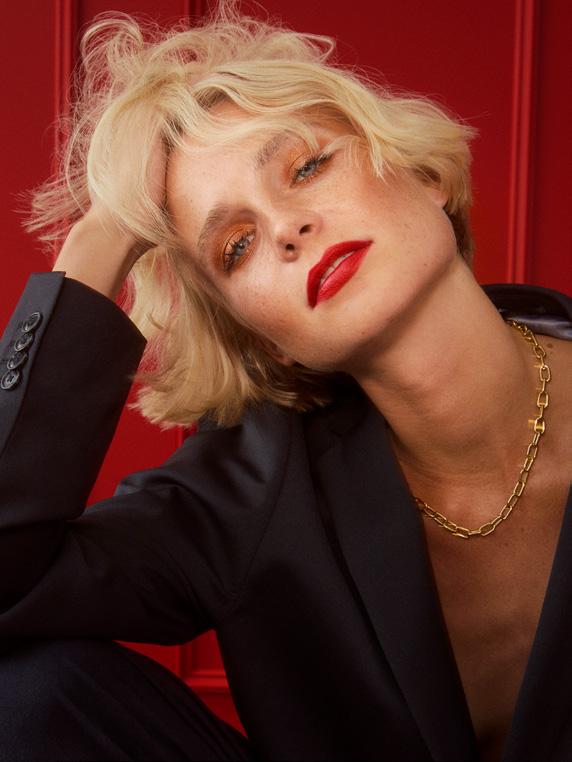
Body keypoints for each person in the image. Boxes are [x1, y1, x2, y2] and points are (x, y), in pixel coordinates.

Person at [0, 4, 570, 761]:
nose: (285, 228)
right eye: (236, 247)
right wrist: (98, 240)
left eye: (306, 167)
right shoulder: (251, 490)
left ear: (424, 174)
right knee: (29, 695)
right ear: (261, 338)